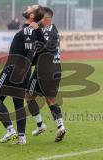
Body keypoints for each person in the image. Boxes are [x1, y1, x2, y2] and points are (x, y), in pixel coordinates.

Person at [0, 5, 44, 145]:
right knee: (18, 104)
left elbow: (31, 52)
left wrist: (21, 70)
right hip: (23, 74)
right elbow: (42, 46)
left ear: (32, 16)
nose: (27, 7)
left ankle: (10, 130)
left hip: (12, 70)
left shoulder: (27, 31)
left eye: (31, 7)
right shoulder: (32, 31)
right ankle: (21, 137)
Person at [26, 7, 66, 142]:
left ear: (45, 19)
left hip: (45, 70)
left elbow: (45, 49)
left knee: (29, 96)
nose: (39, 19)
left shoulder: (50, 32)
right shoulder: (48, 30)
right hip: (55, 70)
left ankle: (40, 124)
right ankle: (60, 127)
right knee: (50, 100)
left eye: (40, 17)